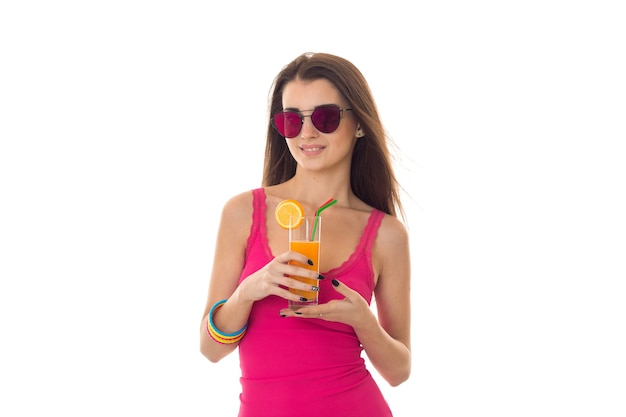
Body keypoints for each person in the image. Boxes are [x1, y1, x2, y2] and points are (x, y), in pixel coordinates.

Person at [199, 52, 411, 417]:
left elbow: (399, 371)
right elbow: (210, 348)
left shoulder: (386, 234)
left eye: (326, 118)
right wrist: (249, 290)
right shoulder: (243, 212)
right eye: (291, 120)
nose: (307, 133)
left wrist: (364, 322)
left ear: (359, 124)